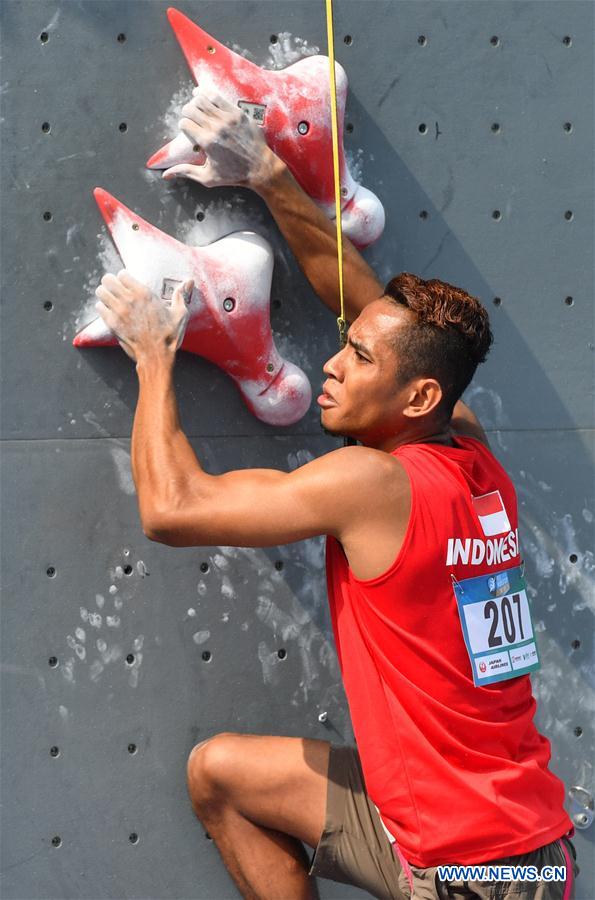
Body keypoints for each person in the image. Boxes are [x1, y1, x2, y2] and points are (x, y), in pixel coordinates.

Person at [94, 92, 578, 900]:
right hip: (509, 842)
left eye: (357, 360)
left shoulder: (373, 482)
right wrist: (269, 174)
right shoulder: (470, 454)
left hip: (477, 877)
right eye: (345, 350)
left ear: (416, 398)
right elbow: (364, 302)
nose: (330, 363)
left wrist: (153, 357)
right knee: (221, 774)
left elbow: (172, 511)